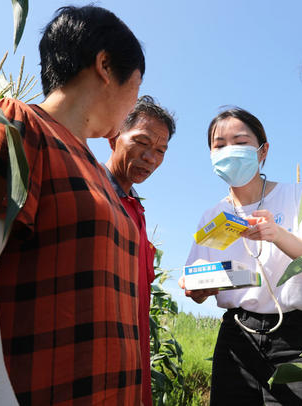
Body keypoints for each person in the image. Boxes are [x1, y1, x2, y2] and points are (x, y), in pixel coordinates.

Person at [0, 6, 145, 405]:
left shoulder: (94, 168)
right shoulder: (13, 124)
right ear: (105, 65)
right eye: (136, 87)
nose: (132, 105)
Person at [181, 108, 302, 405]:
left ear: (263, 151)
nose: (229, 150)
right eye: (219, 145)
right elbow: (195, 285)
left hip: (293, 337)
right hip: (237, 336)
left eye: (240, 141)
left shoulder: (301, 195)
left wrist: (277, 234)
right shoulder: (212, 216)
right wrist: (196, 287)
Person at [104, 95, 175, 406]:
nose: (151, 158)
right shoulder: (90, 192)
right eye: (142, 142)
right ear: (114, 136)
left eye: (160, 151)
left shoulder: (137, 213)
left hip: (130, 360)